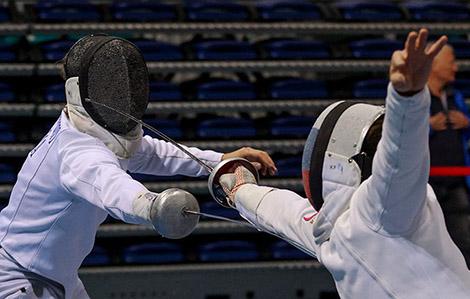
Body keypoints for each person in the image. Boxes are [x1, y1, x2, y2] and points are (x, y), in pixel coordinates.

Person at [0, 35, 276, 299]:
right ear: (84, 91)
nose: (123, 93)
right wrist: (152, 207)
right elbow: (112, 187)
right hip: (19, 281)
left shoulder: (93, 132)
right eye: (111, 86)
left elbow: (153, 153)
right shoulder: (78, 153)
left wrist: (220, 159)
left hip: (57, 277)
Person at [220, 29, 470, 298]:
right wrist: (240, 188)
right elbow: (280, 211)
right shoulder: (330, 229)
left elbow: (401, 155)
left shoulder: (388, 207)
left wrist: (407, 98)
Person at [428, 43, 470, 267]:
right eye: (450, 61)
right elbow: (396, 132)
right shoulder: (414, 98)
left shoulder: (455, 96)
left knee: (464, 242)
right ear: (434, 64)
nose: (455, 67)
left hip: (456, 183)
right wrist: (428, 125)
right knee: (427, 245)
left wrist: (467, 123)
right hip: (425, 186)